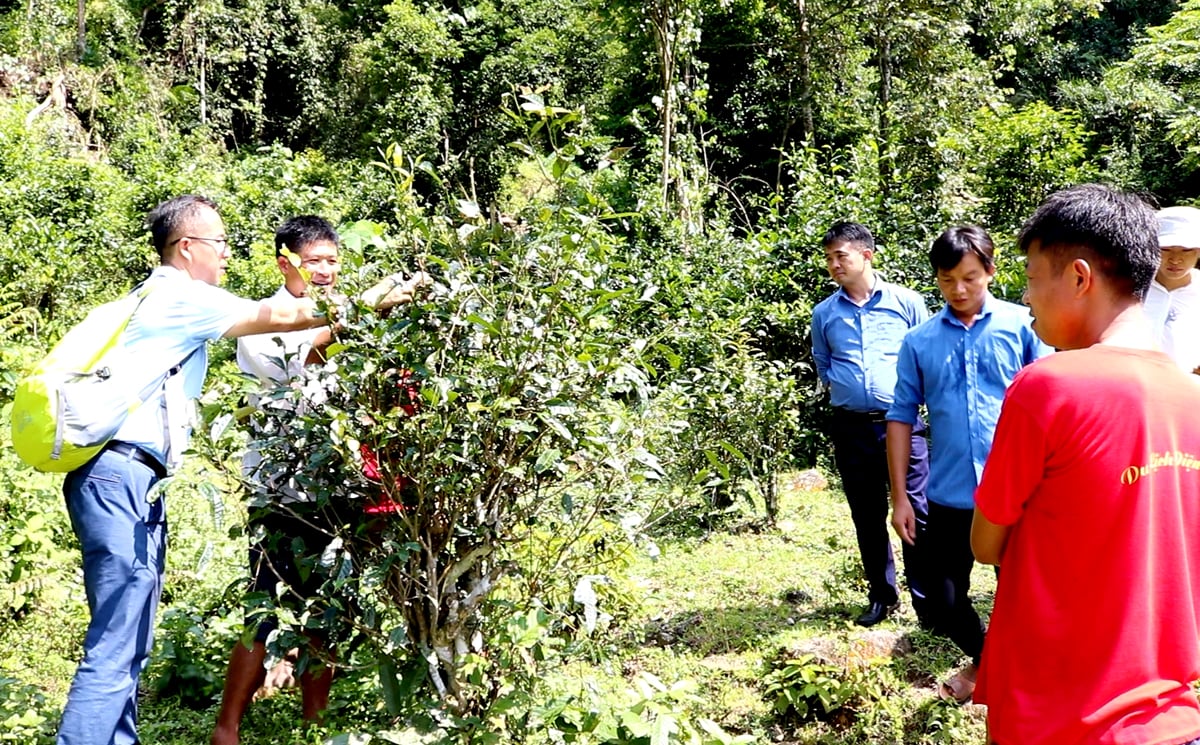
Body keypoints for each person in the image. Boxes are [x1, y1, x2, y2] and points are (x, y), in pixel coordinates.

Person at [56, 196, 421, 745]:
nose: (227, 254)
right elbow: (292, 328)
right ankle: (216, 729)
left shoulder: (165, 299)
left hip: (148, 478)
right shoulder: (181, 298)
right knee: (127, 640)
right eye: (219, 243)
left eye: (333, 261)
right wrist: (370, 305)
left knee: (131, 638)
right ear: (187, 248)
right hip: (243, 485)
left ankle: (307, 725)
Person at [970, 184, 1200, 745]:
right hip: (1174, 715)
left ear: (1078, 277)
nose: (1026, 299)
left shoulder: (1048, 387)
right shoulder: (1190, 395)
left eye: (1030, 278)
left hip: (1060, 716)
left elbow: (985, 544)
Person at [885, 226, 1049, 704]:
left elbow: (1051, 402)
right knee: (945, 598)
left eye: (970, 278)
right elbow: (901, 416)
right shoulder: (919, 342)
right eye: (947, 279)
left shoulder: (1027, 326)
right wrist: (900, 497)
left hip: (1019, 491)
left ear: (991, 272)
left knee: (1027, 596)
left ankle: (1008, 676)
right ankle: (991, 660)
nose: (959, 290)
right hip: (951, 494)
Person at [210, 216, 345, 745]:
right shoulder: (262, 319)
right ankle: (227, 729)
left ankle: (316, 726)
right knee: (263, 609)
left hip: (333, 490)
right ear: (286, 261)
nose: (327, 270)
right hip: (280, 491)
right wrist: (353, 322)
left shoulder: (342, 315)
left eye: (333, 260)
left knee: (329, 613)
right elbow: (305, 358)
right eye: (315, 261)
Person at [810, 221, 931, 627]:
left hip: (903, 424)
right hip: (851, 427)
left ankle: (926, 598)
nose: (833, 265)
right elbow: (824, 364)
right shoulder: (824, 314)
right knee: (866, 511)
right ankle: (882, 595)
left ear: (866, 255)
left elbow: (926, 355)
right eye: (828, 258)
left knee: (916, 507)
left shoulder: (906, 303)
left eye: (840, 256)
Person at [1145, 204, 1200, 373]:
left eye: (1186, 250)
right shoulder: (1129, 287)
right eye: (1166, 249)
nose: (1176, 259)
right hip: (1133, 387)